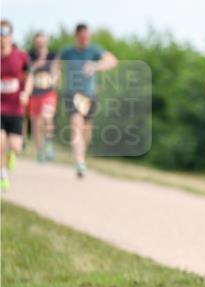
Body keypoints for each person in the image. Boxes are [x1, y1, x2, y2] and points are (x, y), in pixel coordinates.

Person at [59, 23, 118, 178]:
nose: (85, 39)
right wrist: (55, 76)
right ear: (76, 36)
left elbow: (112, 61)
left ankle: (81, 157)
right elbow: (56, 63)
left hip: (89, 95)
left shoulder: (94, 50)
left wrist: (96, 65)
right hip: (72, 94)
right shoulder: (68, 51)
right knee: (76, 124)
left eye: (87, 37)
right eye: (82, 37)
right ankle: (79, 162)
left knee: (86, 131)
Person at [1, 19, 32, 191]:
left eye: (5, 34)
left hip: (15, 108)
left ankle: (11, 154)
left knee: (15, 146)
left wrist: (26, 92)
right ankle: (2, 175)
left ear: (11, 36)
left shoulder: (21, 56)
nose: (2, 37)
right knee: (0, 140)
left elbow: (30, 77)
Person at [28, 31, 60, 162]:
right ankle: (40, 151)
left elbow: (57, 72)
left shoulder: (52, 56)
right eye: (38, 42)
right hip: (34, 94)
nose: (40, 44)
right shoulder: (30, 56)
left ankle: (48, 143)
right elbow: (26, 72)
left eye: (42, 41)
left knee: (48, 117)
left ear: (46, 42)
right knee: (36, 124)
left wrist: (55, 79)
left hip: (48, 93)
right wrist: (35, 65)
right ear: (35, 43)